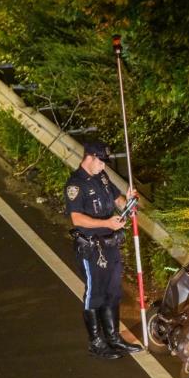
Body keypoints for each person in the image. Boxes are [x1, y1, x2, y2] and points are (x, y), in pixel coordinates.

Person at [64, 141, 143, 359]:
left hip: (110, 245)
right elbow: (76, 218)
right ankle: (96, 342)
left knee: (113, 293)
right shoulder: (76, 184)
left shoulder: (102, 177)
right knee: (94, 294)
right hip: (91, 248)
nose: (104, 166)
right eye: (101, 161)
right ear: (89, 157)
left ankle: (114, 337)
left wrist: (128, 201)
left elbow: (117, 199)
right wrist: (107, 223)